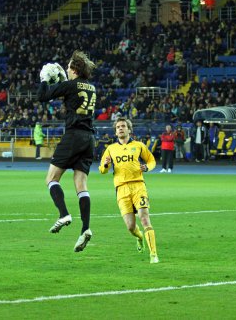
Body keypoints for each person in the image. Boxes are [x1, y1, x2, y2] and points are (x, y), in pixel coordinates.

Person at [37, 51, 96, 252]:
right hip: (89, 139)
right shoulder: (92, 87)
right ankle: (85, 229)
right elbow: (72, 98)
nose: (68, 70)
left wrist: (45, 79)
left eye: (69, 67)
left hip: (73, 136)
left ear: (75, 69)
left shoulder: (71, 84)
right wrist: (62, 84)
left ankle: (64, 214)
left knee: (51, 178)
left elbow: (42, 96)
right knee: (81, 184)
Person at [99, 117, 159, 264]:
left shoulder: (138, 146)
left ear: (129, 129)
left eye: (123, 126)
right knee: (131, 227)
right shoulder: (111, 149)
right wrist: (106, 165)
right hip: (121, 189)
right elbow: (102, 170)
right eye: (118, 127)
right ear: (115, 131)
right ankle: (139, 238)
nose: (120, 128)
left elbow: (152, 160)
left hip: (138, 186)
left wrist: (147, 167)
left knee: (144, 218)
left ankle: (154, 254)